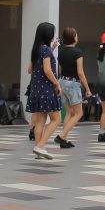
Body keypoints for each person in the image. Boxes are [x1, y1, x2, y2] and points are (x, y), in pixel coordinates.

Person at [27, 22, 63, 160]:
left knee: (40, 120)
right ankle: (40, 146)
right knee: (56, 119)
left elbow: (29, 70)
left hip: (36, 90)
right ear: (48, 35)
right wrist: (57, 83)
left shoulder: (36, 50)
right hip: (47, 90)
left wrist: (51, 49)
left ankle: (39, 149)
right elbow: (47, 70)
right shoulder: (46, 50)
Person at [56, 27, 93, 148]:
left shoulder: (61, 52)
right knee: (78, 113)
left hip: (62, 82)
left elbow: (60, 70)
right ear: (73, 37)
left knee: (69, 112)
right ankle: (61, 136)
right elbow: (80, 73)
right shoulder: (78, 52)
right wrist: (87, 89)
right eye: (76, 34)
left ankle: (64, 139)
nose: (77, 36)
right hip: (73, 84)